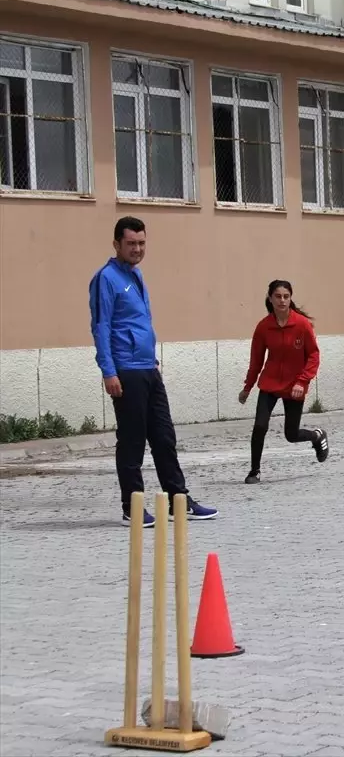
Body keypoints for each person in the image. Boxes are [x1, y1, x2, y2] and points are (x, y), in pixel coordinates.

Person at [89, 217, 218, 527]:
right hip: (126, 370)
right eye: (131, 243)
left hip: (148, 368)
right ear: (117, 244)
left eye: (142, 243)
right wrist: (109, 371)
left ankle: (179, 501)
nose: (137, 249)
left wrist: (153, 361)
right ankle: (131, 507)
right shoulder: (106, 278)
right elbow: (101, 326)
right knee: (132, 441)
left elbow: (139, 323)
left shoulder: (136, 275)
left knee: (163, 437)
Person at [238, 280, 330, 484]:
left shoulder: (301, 324)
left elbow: (313, 355)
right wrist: (247, 387)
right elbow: (256, 361)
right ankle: (254, 471)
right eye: (278, 296)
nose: (282, 300)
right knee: (260, 426)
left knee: (291, 434)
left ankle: (317, 436)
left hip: (294, 386)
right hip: (269, 384)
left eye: (286, 296)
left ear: (290, 299)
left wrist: (302, 381)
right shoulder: (264, 327)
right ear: (270, 299)